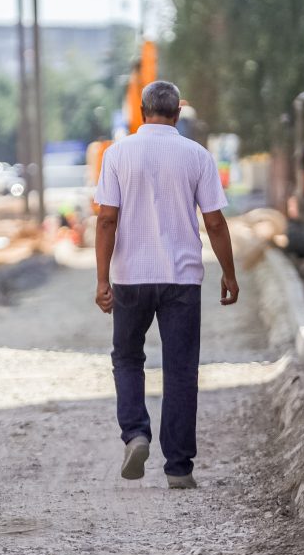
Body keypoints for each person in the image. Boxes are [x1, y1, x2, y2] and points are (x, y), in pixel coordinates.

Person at [94, 80, 239, 490]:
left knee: (126, 357)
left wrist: (102, 278)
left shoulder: (117, 154)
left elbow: (106, 219)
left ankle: (136, 434)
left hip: (130, 277)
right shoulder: (197, 156)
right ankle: (178, 467)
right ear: (177, 114)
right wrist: (229, 273)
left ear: (142, 112)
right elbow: (214, 222)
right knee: (180, 368)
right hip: (181, 278)